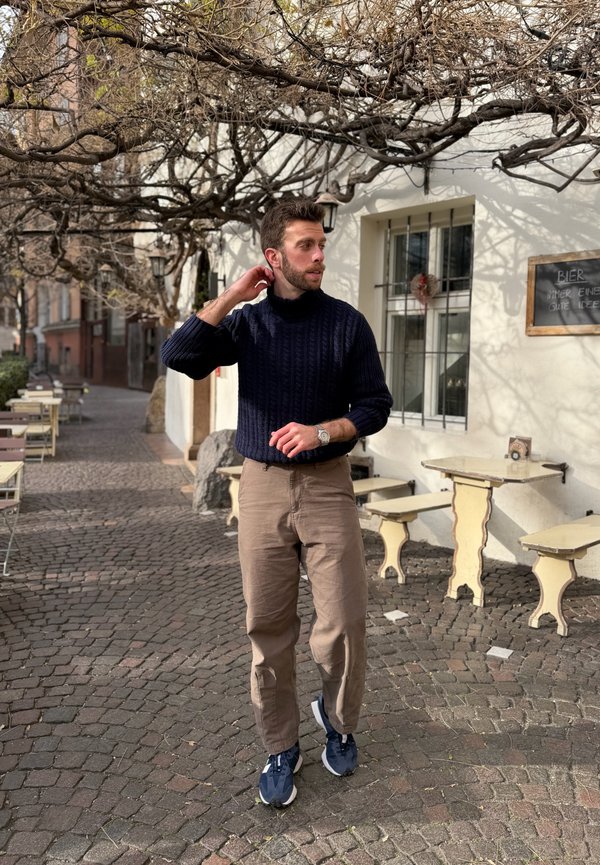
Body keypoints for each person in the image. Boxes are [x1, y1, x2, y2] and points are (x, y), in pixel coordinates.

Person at [161, 197, 393, 807]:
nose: (319, 256)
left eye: (322, 245)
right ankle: (280, 745)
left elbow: (375, 407)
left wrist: (324, 431)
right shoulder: (248, 325)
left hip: (327, 485)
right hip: (261, 486)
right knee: (267, 627)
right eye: (305, 247)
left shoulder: (346, 323)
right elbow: (179, 356)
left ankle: (338, 723)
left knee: (341, 623)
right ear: (274, 256)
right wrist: (234, 295)